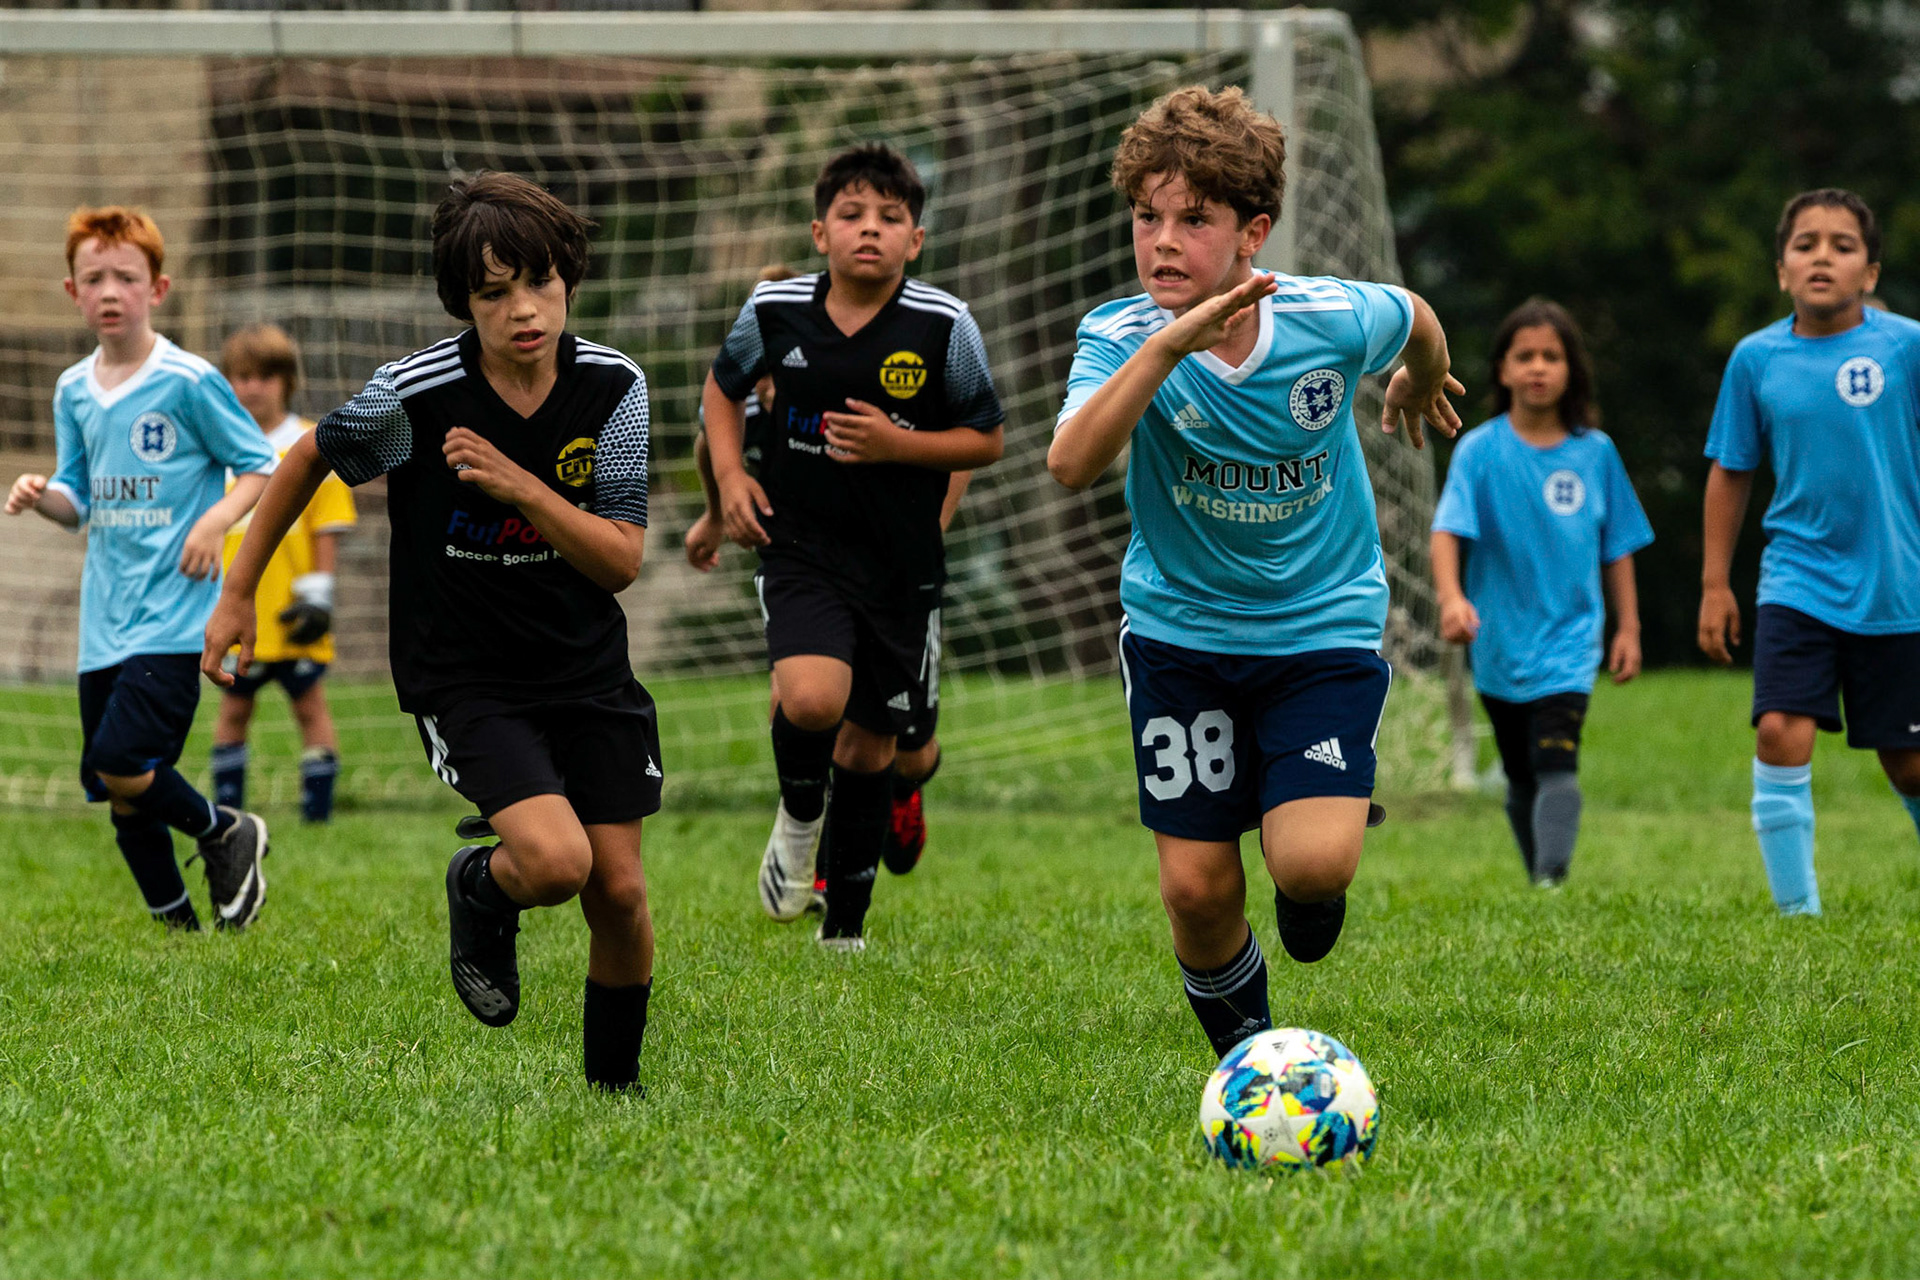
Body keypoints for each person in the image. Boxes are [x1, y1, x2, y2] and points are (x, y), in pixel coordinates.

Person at [203, 173, 661, 1091]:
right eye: (494, 293)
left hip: (588, 671)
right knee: (557, 864)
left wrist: (522, 488)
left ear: (570, 278)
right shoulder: (417, 394)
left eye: (539, 283)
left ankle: (616, 1093)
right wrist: (239, 591)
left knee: (618, 891)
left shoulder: (614, 386)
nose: (522, 310)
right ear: (463, 303)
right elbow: (305, 458)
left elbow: (620, 560)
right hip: (467, 678)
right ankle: (481, 885)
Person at [1047, 86, 1461, 1059]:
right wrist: (1166, 349)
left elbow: (1414, 315)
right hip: (1179, 636)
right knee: (1196, 889)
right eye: (1147, 216)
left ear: (1253, 234)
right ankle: (1253, 1067)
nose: (1163, 240)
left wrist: (1423, 374)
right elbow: (1070, 463)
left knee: (1311, 866)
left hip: (1320, 627)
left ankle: (1306, 870)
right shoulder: (1120, 336)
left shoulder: (1323, 318)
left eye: (1194, 219)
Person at [703, 144, 1006, 951]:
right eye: (851, 214)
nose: (870, 229)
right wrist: (729, 480)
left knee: (876, 747)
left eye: (890, 217)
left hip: (899, 565)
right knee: (809, 701)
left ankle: (845, 932)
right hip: (800, 545)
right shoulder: (774, 310)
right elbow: (722, 391)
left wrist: (897, 447)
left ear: (916, 239)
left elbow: (985, 439)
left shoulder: (945, 325)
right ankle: (801, 815)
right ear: (819, 232)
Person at [4, 206, 275, 931]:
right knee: (122, 791)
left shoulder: (188, 380)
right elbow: (78, 500)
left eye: (126, 277)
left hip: (176, 618)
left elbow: (261, 466)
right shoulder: (72, 389)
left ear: (157, 288)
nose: (110, 291)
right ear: (73, 292)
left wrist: (215, 522)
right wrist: (41, 496)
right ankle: (178, 931)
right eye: (94, 278)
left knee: (120, 758)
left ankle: (225, 830)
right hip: (105, 623)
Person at [685, 265, 967, 894]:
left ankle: (903, 792)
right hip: (804, 566)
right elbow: (709, 442)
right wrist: (715, 512)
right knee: (802, 699)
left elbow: (960, 449)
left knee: (911, 750)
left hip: (895, 575)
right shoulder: (746, 402)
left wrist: (930, 528)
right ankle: (817, 858)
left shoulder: (861, 394)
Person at [1699, 187, 1920, 916]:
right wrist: (1715, 585)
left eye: (1843, 245)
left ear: (1871, 272)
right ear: (1782, 270)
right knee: (1779, 731)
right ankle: (1800, 915)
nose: (1823, 256)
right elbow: (1731, 469)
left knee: (1909, 764)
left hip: (1899, 587)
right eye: (1806, 244)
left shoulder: (1907, 348)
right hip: (1798, 579)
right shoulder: (1756, 359)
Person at [1430, 299, 1653, 886]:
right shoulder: (1479, 451)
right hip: (1499, 643)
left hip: (1571, 641)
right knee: (1521, 774)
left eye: (1551, 356)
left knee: (1557, 762)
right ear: (1502, 370)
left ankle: (1552, 880)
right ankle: (1539, 878)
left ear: (1571, 370)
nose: (1538, 367)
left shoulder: (1596, 453)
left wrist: (1628, 628)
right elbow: (1447, 531)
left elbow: (1618, 546)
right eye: (1524, 355)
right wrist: (1452, 599)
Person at [211, 323, 358, 823]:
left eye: (266, 376)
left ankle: (317, 815)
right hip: (238, 615)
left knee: (310, 707)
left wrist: (319, 597)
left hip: (293, 613)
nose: (253, 387)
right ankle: (228, 816)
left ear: (287, 382)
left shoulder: (311, 442)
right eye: (242, 376)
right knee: (233, 710)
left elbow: (326, 530)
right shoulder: (217, 447)